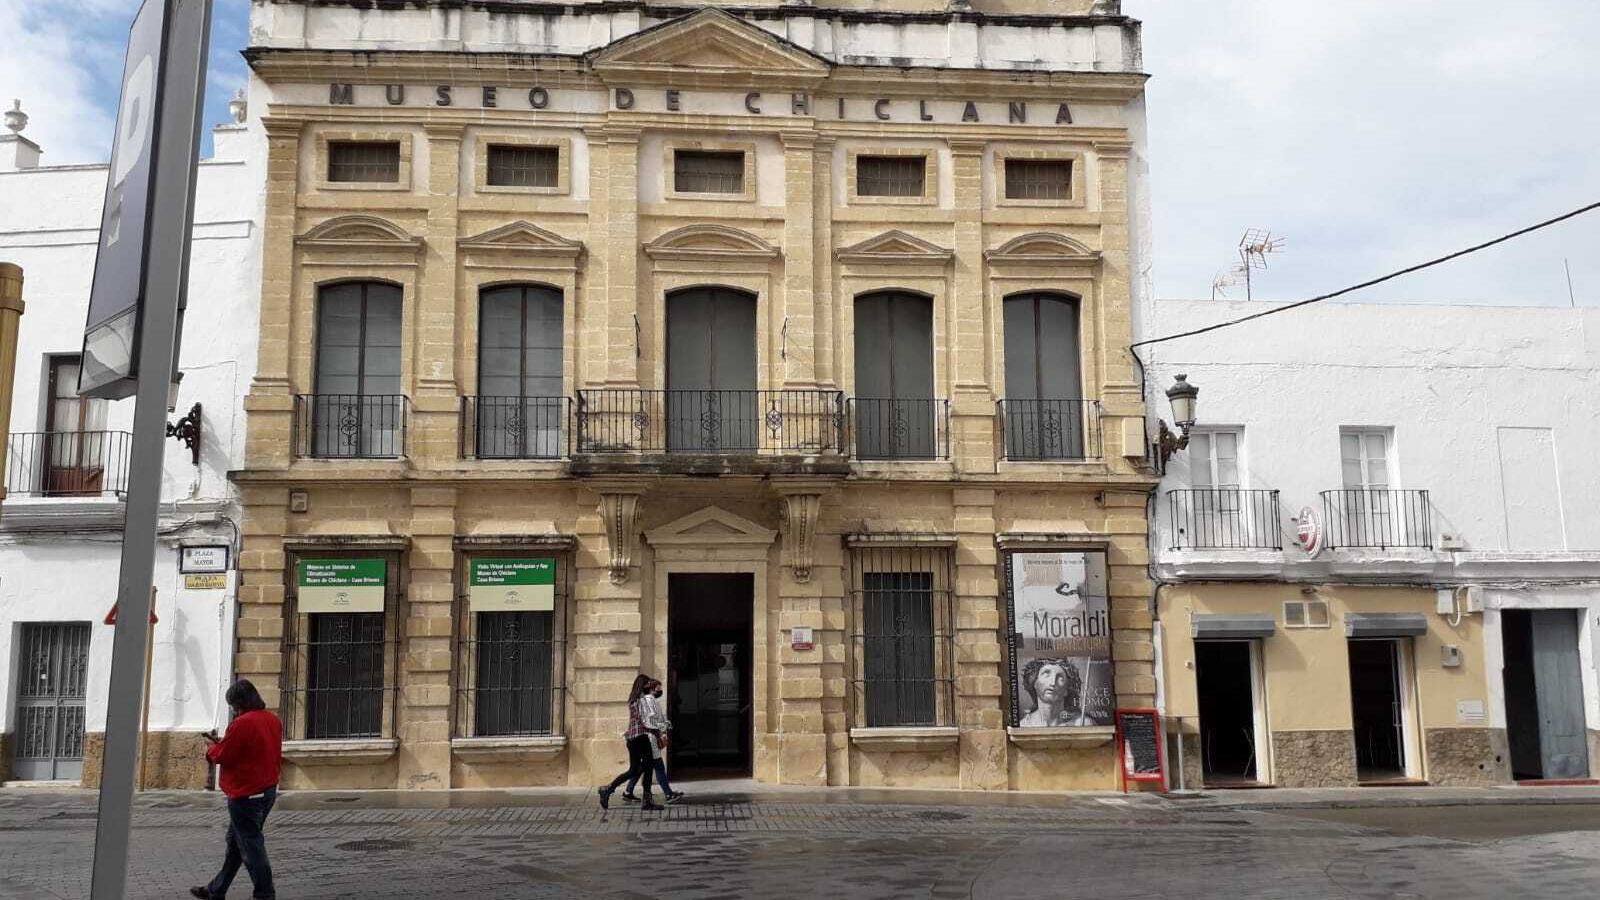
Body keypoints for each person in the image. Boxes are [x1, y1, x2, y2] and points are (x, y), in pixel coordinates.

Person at [191, 679, 282, 900]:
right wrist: (226, 743)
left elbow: (223, 755)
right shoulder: (272, 720)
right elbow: (250, 748)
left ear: (239, 703)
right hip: (267, 789)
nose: (233, 710)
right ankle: (216, 889)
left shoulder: (242, 723)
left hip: (246, 794)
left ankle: (265, 894)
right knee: (236, 843)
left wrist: (212, 749)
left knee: (251, 847)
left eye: (233, 706)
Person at [598, 674, 662, 811]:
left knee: (634, 769)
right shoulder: (641, 701)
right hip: (641, 737)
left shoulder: (633, 699)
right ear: (644, 685)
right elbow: (644, 721)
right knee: (648, 768)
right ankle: (646, 801)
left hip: (632, 739)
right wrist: (657, 730)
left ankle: (607, 789)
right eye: (648, 684)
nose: (649, 686)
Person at [624, 678, 683, 804]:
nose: (660, 689)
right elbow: (650, 721)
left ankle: (628, 791)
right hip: (649, 738)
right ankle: (668, 794)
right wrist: (663, 727)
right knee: (658, 766)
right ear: (652, 688)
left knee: (641, 767)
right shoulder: (648, 701)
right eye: (658, 687)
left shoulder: (645, 700)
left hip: (645, 738)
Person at [1018, 657, 1083, 727]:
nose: (1052, 683)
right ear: (1035, 683)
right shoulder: (1024, 725)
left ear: (1066, 690)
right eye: (1046, 675)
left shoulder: (1081, 723)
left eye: (1060, 678)